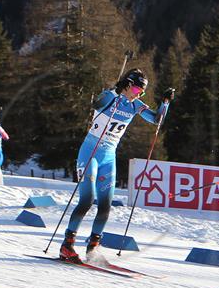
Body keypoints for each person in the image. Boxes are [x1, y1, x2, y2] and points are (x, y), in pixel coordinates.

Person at [59, 68, 173, 264]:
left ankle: (93, 248)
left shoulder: (136, 105)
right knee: (87, 200)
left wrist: (165, 103)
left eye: (142, 92)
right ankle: (67, 245)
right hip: (90, 153)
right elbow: (97, 102)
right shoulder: (110, 96)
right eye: (138, 90)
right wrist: (112, 93)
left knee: (105, 205)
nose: (139, 94)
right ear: (128, 85)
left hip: (108, 156)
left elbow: (156, 120)